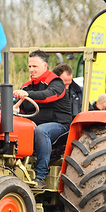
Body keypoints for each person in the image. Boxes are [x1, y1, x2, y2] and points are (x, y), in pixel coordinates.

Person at [14, 50, 72, 189]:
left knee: (41, 131)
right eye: (29, 67)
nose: (31, 70)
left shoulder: (56, 83)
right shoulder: (26, 85)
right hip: (33, 123)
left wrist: (28, 94)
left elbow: (48, 95)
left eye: (35, 66)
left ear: (45, 66)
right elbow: (22, 109)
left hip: (60, 125)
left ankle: (41, 177)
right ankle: (14, 169)